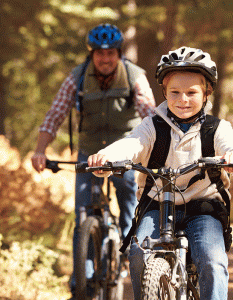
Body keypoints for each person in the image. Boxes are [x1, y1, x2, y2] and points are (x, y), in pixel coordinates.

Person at [88, 46, 233, 300]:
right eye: (174, 92)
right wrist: (107, 156)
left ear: (206, 93)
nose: (182, 99)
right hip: (157, 204)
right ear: (163, 92)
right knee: (139, 252)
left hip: (203, 206)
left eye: (191, 92)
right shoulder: (152, 126)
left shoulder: (216, 129)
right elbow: (132, 143)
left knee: (213, 261)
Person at [30, 23, 156, 298]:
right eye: (100, 54)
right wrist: (40, 150)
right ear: (91, 55)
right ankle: (82, 281)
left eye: (111, 53)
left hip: (124, 149)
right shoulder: (76, 77)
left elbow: (150, 115)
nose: (106, 59)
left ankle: (125, 250)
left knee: (128, 199)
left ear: (119, 53)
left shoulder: (135, 76)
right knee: (83, 214)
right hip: (89, 151)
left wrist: (157, 151)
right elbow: (54, 115)